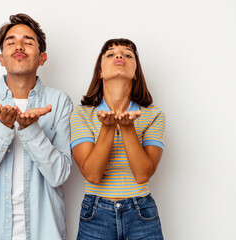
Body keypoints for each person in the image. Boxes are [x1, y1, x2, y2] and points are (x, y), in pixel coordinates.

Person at [0, 13, 72, 240]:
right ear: (1, 58)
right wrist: (3, 128)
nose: (19, 46)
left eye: (28, 41)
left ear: (42, 58)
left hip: (47, 234)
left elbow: (59, 175)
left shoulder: (60, 102)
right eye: (10, 42)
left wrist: (30, 130)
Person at [70, 38, 165, 239]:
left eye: (128, 55)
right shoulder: (82, 114)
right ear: (100, 72)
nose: (119, 56)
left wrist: (128, 129)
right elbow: (93, 175)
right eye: (110, 54)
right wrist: (108, 129)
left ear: (136, 74)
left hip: (142, 213)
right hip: (96, 213)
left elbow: (142, 175)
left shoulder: (154, 115)